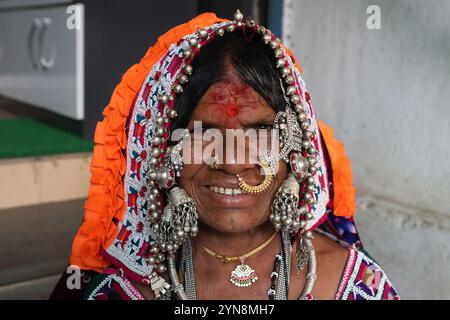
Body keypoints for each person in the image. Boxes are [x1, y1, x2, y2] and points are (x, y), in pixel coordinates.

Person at [50, 10, 399, 300]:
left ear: (295, 148)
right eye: (203, 133)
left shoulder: (351, 284)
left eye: (261, 131)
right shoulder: (118, 290)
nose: (232, 163)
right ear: (163, 149)